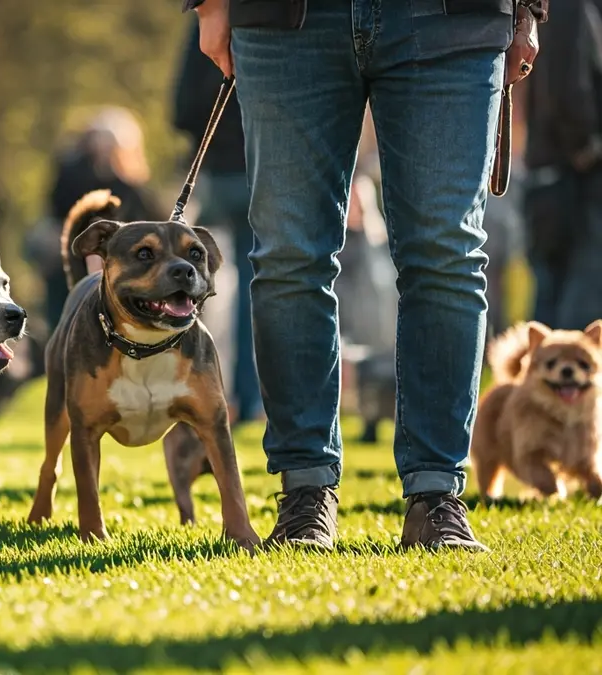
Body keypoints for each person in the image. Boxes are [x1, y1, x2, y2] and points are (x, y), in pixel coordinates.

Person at [190, 0, 546, 550]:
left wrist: (528, 9)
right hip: (288, 19)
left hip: (455, 16)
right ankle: (305, 492)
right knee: (289, 257)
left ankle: (435, 496)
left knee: (447, 252)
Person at [172, 20, 262, 426]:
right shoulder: (278, 23)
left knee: (198, 281)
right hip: (260, 169)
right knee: (252, 282)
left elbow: (181, 110)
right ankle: (250, 396)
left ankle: (196, 388)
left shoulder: (207, 23)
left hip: (216, 176)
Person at [35, 107, 168, 331]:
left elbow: (154, 217)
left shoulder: (132, 186)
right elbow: (59, 208)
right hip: (72, 258)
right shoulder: (72, 172)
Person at [524, 0, 602, 331]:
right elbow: (570, 83)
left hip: (549, 173)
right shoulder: (572, 6)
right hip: (575, 177)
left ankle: (539, 381)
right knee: (578, 305)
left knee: (549, 297)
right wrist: (586, 145)